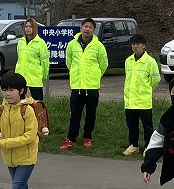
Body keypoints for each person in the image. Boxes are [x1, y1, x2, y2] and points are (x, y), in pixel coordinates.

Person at [59, 18, 108, 150]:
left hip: (92, 86)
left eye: (90, 27)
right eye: (85, 26)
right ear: (81, 27)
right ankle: (71, 139)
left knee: (91, 114)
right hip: (77, 86)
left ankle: (87, 137)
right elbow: (69, 62)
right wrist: (76, 74)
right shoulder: (72, 44)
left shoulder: (98, 46)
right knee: (75, 114)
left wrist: (96, 75)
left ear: (93, 30)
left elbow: (104, 65)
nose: (87, 29)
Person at [123, 32, 161, 155]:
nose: (135, 46)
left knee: (147, 127)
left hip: (144, 101)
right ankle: (133, 145)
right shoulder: (128, 60)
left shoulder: (150, 61)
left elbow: (155, 80)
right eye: (133, 44)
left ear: (143, 45)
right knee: (132, 125)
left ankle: (148, 147)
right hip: (130, 101)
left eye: (138, 44)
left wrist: (146, 89)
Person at [16, 17, 50, 101]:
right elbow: (19, 59)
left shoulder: (41, 43)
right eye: (26, 26)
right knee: (21, 103)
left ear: (34, 28)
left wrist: (43, 77)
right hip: (21, 78)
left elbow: (45, 63)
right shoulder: (21, 42)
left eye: (30, 27)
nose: (27, 28)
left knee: (37, 104)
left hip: (35, 80)